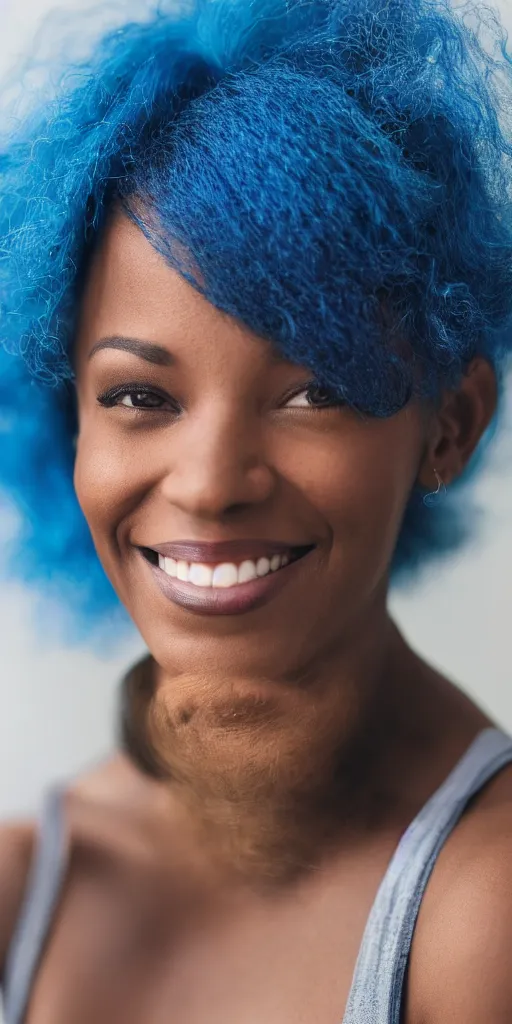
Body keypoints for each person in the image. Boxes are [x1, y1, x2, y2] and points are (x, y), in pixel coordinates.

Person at [1, 0, 512, 1020]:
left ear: (446, 426)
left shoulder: (486, 907)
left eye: (313, 390)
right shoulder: (23, 887)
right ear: (70, 431)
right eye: (139, 397)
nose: (209, 481)